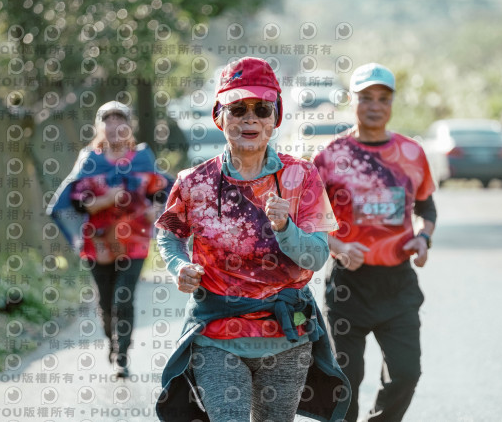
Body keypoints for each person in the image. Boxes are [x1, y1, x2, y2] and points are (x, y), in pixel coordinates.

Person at [154, 57, 351, 422]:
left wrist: (285, 228)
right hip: (216, 334)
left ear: (275, 118)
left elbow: (316, 257)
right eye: (237, 109)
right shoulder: (193, 182)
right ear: (219, 116)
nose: (250, 119)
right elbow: (169, 234)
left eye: (262, 109)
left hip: (287, 335)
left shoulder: (302, 176)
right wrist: (179, 265)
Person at [313, 63, 437, 422]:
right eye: (366, 97)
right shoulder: (330, 157)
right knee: (345, 383)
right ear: (352, 100)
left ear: (392, 102)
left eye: (383, 98)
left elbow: (426, 206)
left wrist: (423, 237)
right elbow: (310, 220)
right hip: (348, 287)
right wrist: (338, 248)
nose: (375, 106)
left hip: (398, 284)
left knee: (406, 374)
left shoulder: (411, 153)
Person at [47, 100, 169, 377]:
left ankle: (122, 356)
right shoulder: (90, 160)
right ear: (99, 126)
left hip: (135, 241)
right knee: (105, 301)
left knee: (123, 298)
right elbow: (78, 203)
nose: (114, 126)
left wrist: (156, 210)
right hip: (98, 242)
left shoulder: (142, 158)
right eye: (108, 120)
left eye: (120, 120)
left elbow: (160, 192)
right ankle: (111, 342)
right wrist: (107, 199)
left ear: (129, 125)